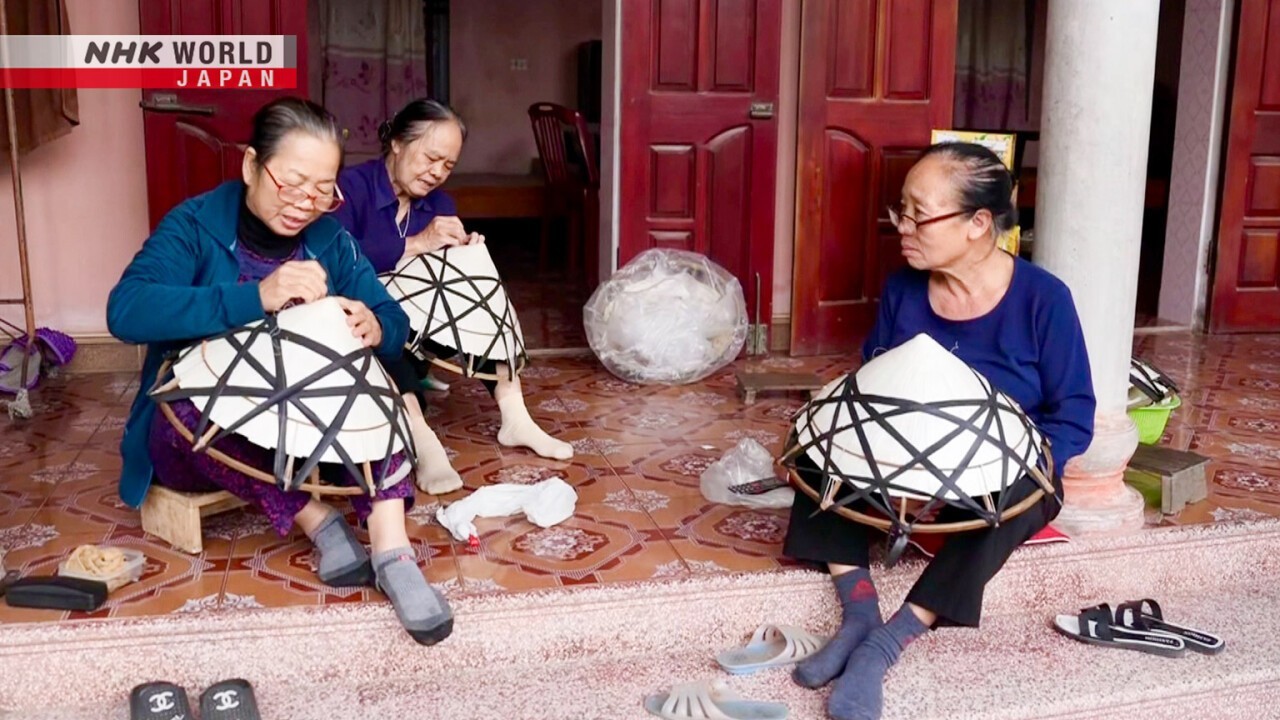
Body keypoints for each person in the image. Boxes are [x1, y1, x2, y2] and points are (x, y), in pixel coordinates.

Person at [107, 97, 452, 646]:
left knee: (371, 381)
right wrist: (256, 297)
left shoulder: (331, 240)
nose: (306, 204)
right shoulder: (194, 225)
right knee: (184, 405)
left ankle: (393, 552)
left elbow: (393, 319)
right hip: (200, 430)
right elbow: (126, 310)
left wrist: (375, 325)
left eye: (323, 190)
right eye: (292, 184)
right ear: (251, 166)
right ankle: (317, 519)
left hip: (304, 424)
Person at [782, 142, 1096, 720]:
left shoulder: (1044, 300)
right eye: (900, 210)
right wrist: (883, 460)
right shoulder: (904, 290)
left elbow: (1073, 415)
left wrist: (1012, 463)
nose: (902, 226)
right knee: (817, 450)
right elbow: (872, 383)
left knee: (1029, 492)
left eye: (918, 215)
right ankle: (859, 614)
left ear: (979, 223)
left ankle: (888, 641)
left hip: (992, 469)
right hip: (903, 463)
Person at [333, 98, 573, 496]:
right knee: (379, 322)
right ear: (397, 143)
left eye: (448, 165)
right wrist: (416, 243)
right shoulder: (350, 188)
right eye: (430, 158)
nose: (437, 173)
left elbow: (438, 272)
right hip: (362, 314)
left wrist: (462, 253)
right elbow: (336, 259)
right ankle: (421, 436)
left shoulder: (440, 204)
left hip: (419, 317)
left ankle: (515, 415)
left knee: (477, 273)